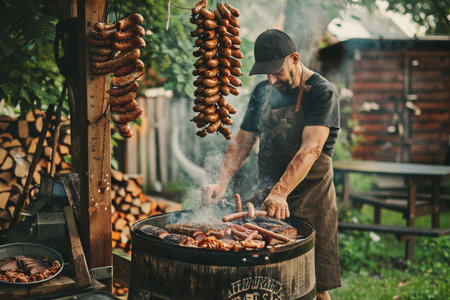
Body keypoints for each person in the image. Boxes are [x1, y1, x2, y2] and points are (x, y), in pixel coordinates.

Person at [201, 29, 341, 299]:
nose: (270, 79)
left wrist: (281, 192)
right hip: (268, 203)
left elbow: (310, 149)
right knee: (268, 280)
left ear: (295, 58)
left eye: (276, 71)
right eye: (265, 72)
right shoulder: (263, 91)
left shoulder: (322, 92)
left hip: (312, 200)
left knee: (315, 285)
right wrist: (221, 182)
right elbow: (242, 142)